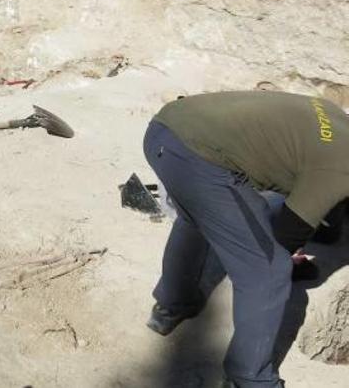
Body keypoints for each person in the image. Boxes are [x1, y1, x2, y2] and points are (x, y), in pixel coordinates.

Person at [143, 91, 349, 388]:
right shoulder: (340, 168)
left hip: (168, 128)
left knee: (197, 219)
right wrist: (288, 257)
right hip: (200, 159)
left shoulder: (333, 117)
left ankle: (171, 304)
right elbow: (287, 234)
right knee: (268, 272)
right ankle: (249, 378)